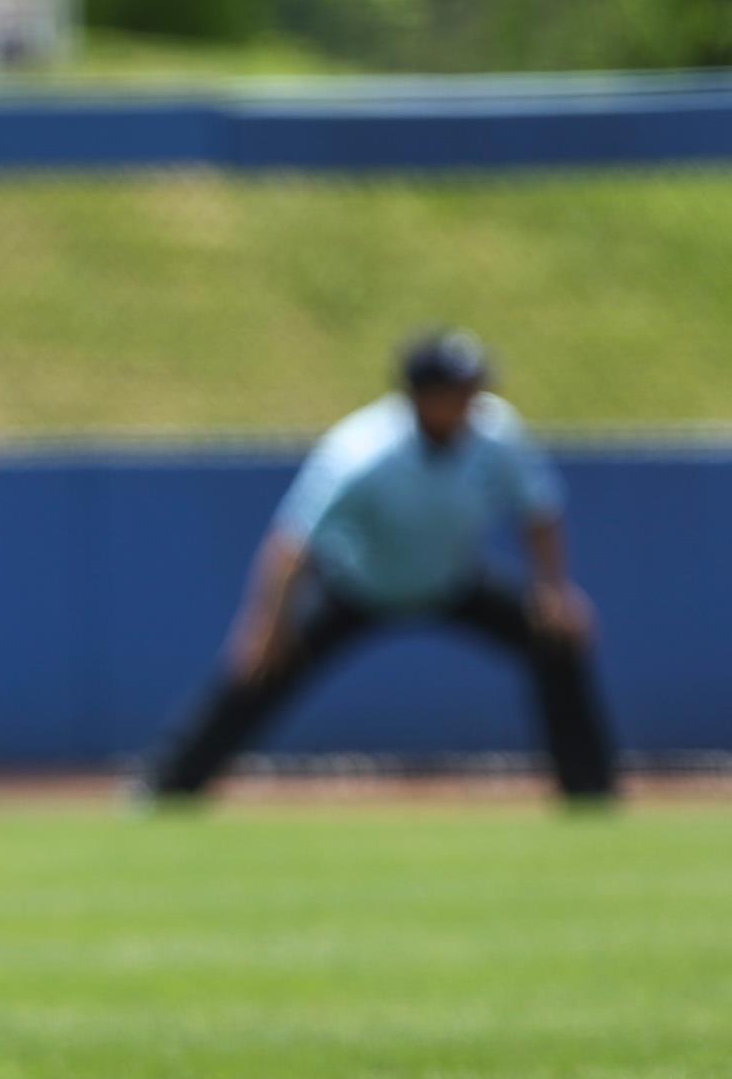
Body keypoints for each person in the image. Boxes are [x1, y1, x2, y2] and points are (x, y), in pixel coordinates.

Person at [141, 329, 614, 800]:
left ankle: (589, 789)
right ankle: (170, 786)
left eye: (474, 389)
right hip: (359, 584)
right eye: (458, 391)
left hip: (451, 579)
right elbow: (292, 543)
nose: (471, 401)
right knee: (261, 665)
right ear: (422, 396)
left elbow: (539, 511)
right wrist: (267, 625)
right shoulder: (362, 452)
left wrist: (553, 590)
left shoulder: (496, 432)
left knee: (558, 637)